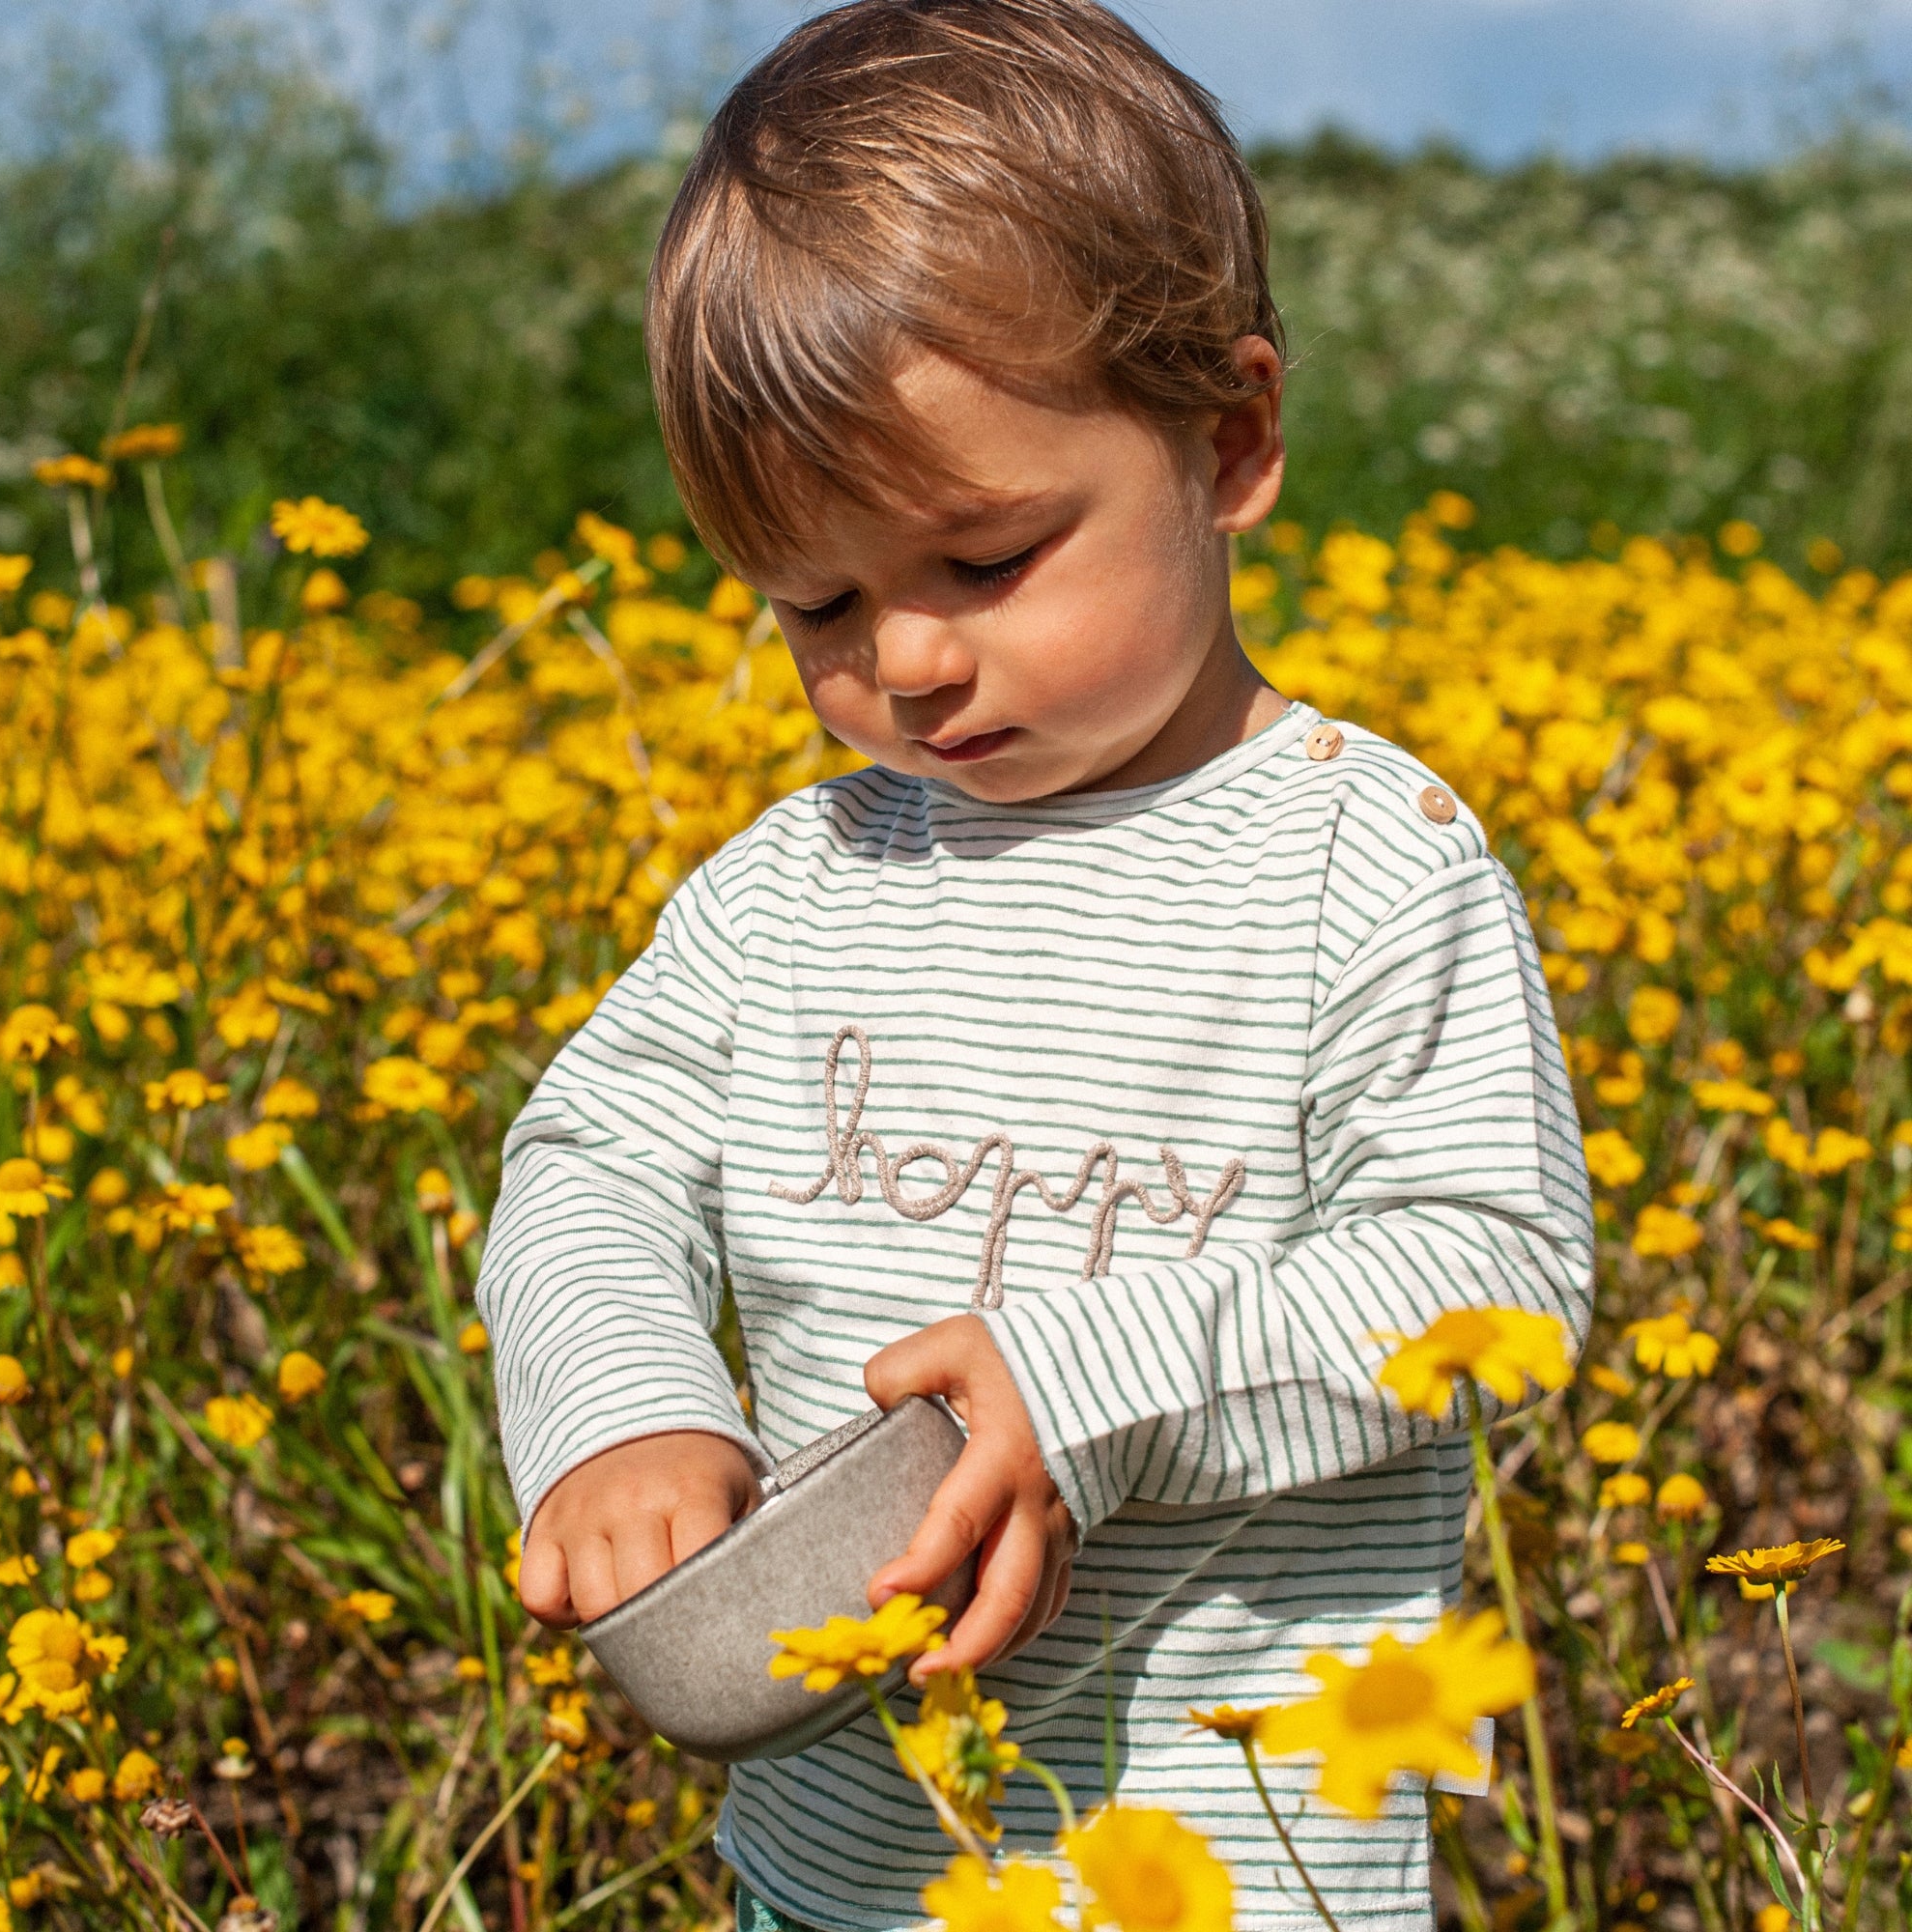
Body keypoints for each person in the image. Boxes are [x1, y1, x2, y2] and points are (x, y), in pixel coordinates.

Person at [476, 2, 1594, 1925]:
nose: (901, 663)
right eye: (817, 601)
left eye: (982, 561)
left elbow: (1490, 1270)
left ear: (1226, 439)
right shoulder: (792, 883)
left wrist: (1084, 1388)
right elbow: (590, 1165)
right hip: (844, 1869)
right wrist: (629, 1407)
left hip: (1242, 1873)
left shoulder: (1361, 862)